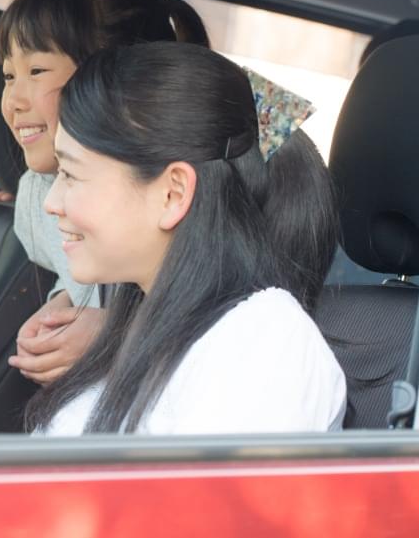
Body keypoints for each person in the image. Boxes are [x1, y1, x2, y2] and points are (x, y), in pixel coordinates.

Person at [29, 42, 346, 435]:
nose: (51, 203)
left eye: (72, 175)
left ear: (173, 194)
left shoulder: (264, 344)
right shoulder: (141, 329)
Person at [0, 0, 210, 385]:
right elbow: (71, 268)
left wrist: (114, 332)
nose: (13, 99)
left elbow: (217, 306)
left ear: (114, 76)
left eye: (36, 71)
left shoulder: (199, 189)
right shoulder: (36, 194)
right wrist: (66, 305)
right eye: (7, 76)